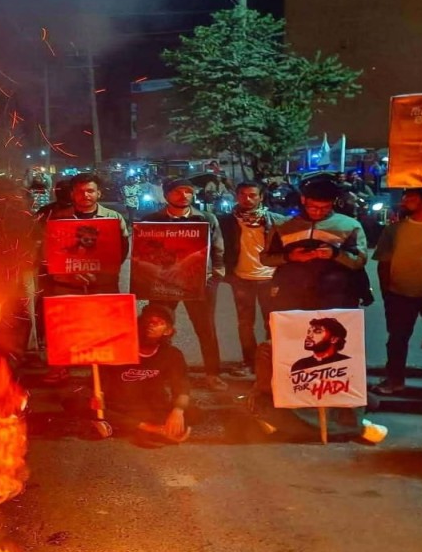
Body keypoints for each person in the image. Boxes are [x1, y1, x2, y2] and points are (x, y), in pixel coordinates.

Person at [37, 173, 130, 384]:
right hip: (66, 282)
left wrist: (100, 269)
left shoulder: (114, 218)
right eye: (80, 191)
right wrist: (67, 270)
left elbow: (121, 251)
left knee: (104, 326)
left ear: (99, 193)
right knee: (63, 326)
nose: (85, 195)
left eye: (90, 191)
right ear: (72, 194)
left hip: (103, 282)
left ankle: (107, 371)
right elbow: (48, 252)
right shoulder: (58, 219)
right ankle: (59, 367)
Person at [141, 178, 228, 391]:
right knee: (158, 326)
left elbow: (218, 249)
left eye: (188, 191)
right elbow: (143, 252)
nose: (184, 196)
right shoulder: (152, 220)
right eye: (178, 191)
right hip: (164, 283)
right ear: (166, 195)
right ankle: (158, 372)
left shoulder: (207, 218)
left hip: (198, 282)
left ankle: (212, 373)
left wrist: (215, 274)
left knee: (205, 328)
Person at [371, 188, 422, 394]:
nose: (405, 200)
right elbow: (384, 263)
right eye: (405, 196)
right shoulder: (395, 229)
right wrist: (386, 291)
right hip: (400, 292)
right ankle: (394, 379)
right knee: (397, 339)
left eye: (412, 196)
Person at [84, 304, 193, 443]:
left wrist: (178, 411)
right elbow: (97, 383)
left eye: (158, 323)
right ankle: (151, 429)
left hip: (151, 407)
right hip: (119, 406)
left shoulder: (172, 354)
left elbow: (182, 386)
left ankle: (119, 427)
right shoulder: (118, 348)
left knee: (193, 412)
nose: (151, 325)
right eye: (148, 321)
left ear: (168, 331)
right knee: (78, 401)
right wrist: (97, 396)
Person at [262, 179, 369, 312]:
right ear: (303, 200)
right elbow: (266, 258)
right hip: (292, 296)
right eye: (313, 207)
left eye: (325, 207)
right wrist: (290, 257)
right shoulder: (282, 226)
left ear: (333, 203)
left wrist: (335, 254)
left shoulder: (349, 225)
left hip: (337, 296)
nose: (318, 212)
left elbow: (359, 262)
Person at [219, 181, 287, 377]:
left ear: (261, 197)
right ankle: (249, 361)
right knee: (245, 323)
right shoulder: (226, 221)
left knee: (272, 322)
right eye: (242, 195)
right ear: (236, 196)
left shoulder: (276, 221)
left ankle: (272, 360)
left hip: (270, 278)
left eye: (252, 195)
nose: (247, 199)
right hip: (241, 278)